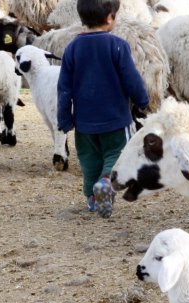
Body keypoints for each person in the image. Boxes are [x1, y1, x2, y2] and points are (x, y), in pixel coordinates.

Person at [57, 0, 149, 218]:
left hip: (84, 124)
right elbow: (132, 80)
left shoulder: (71, 49)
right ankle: (106, 183)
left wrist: (64, 118)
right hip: (116, 120)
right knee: (116, 155)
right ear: (110, 18)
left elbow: (63, 88)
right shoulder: (117, 46)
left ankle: (92, 198)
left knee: (89, 160)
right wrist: (142, 100)